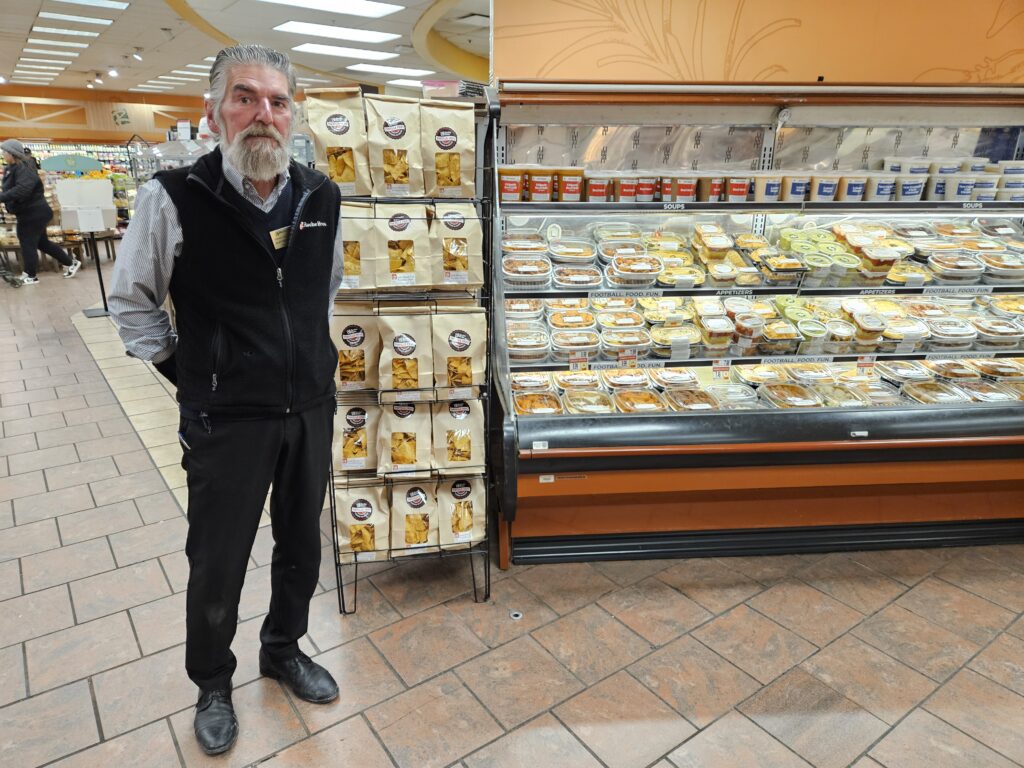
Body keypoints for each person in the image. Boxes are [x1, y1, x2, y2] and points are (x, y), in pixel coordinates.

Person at [108, 44, 344, 756]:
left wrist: (302, 362)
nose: (261, 115)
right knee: (219, 558)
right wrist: (197, 374)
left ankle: (283, 647)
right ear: (213, 113)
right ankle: (213, 681)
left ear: (292, 114)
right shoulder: (173, 196)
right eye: (244, 98)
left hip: (308, 406)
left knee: (301, 542)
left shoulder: (320, 194)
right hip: (224, 419)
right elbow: (133, 306)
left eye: (276, 101)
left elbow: (322, 293)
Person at [0, 139, 81, 285]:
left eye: (5, 151)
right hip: (29, 212)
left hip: (34, 212)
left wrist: (2, 197)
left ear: (12, 153)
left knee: (27, 242)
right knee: (42, 242)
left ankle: (31, 275)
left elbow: (22, 189)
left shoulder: (24, 168)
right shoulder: (11, 168)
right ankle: (71, 263)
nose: (3, 154)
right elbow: (10, 188)